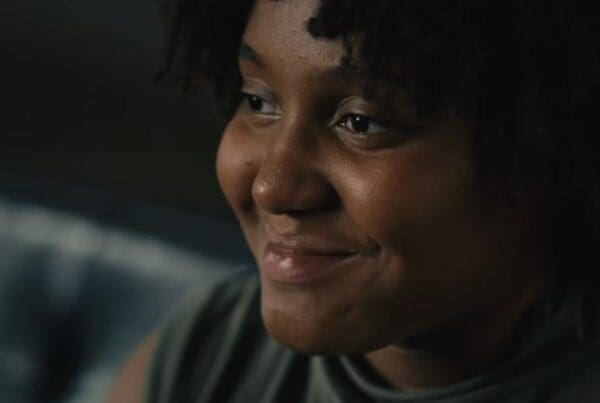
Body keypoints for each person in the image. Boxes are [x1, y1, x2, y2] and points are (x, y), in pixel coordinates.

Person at [108, 0, 600, 401]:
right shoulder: (214, 352)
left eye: (361, 122)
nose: (271, 188)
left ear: (544, 145)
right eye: (258, 100)